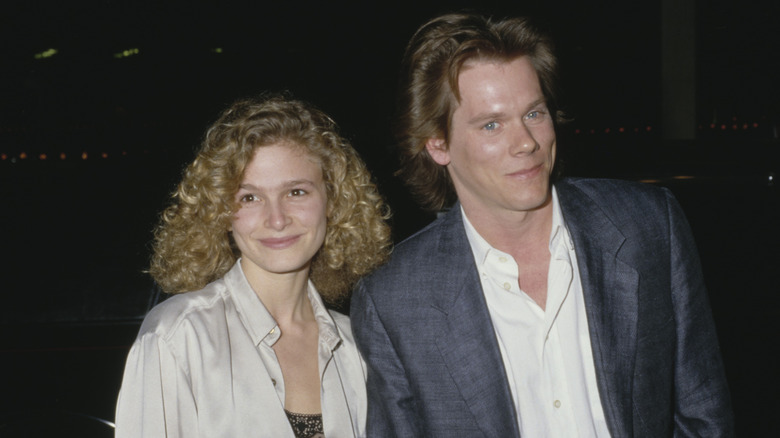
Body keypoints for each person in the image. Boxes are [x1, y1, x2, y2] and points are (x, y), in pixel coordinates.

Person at [350, 12, 734, 437]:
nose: (527, 143)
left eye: (534, 114)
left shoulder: (648, 226)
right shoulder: (396, 300)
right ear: (438, 145)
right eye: (492, 124)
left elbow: (703, 417)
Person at [115, 94, 391, 437]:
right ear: (221, 213)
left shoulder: (356, 346)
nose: (276, 220)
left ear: (332, 200)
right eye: (249, 197)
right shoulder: (179, 337)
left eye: (297, 192)